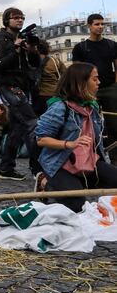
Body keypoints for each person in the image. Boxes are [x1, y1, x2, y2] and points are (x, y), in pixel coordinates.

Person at [35, 62, 117, 212]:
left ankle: (78, 181)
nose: (99, 82)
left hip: (89, 160)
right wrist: (70, 144)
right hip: (61, 164)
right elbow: (41, 139)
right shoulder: (60, 107)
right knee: (77, 205)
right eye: (94, 79)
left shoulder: (92, 106)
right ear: (81, 83)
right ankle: (46, 182)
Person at [0, 8, 40, 181]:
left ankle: (6, 168)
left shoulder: (22, 39)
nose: (20, 20)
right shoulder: (0, 40)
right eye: (16, 17)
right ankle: (38, 169)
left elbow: (35, 64)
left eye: (22, 17)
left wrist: (32, 49)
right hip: (9, 87)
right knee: (32, 123)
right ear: (6, 20)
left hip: (23, 87)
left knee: (17, 129)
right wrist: (15, 50)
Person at [72, 13, 117, 139]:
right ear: (89, 26)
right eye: (97, 24)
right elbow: (76, 72)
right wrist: (82, 89)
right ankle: (94, 150)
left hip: (109, 87)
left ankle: (113, 150)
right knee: (90, 123)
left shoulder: (112, 45)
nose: (101, 26)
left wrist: (115, 85)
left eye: (102, 24)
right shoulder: (80, 47)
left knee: (114, 123)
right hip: (89, 90)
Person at [32, 40, 66, 116]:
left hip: (40, 96)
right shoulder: (55, 60)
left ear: (36, 49)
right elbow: (66, 74)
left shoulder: (32, 61)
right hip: (55, 94)